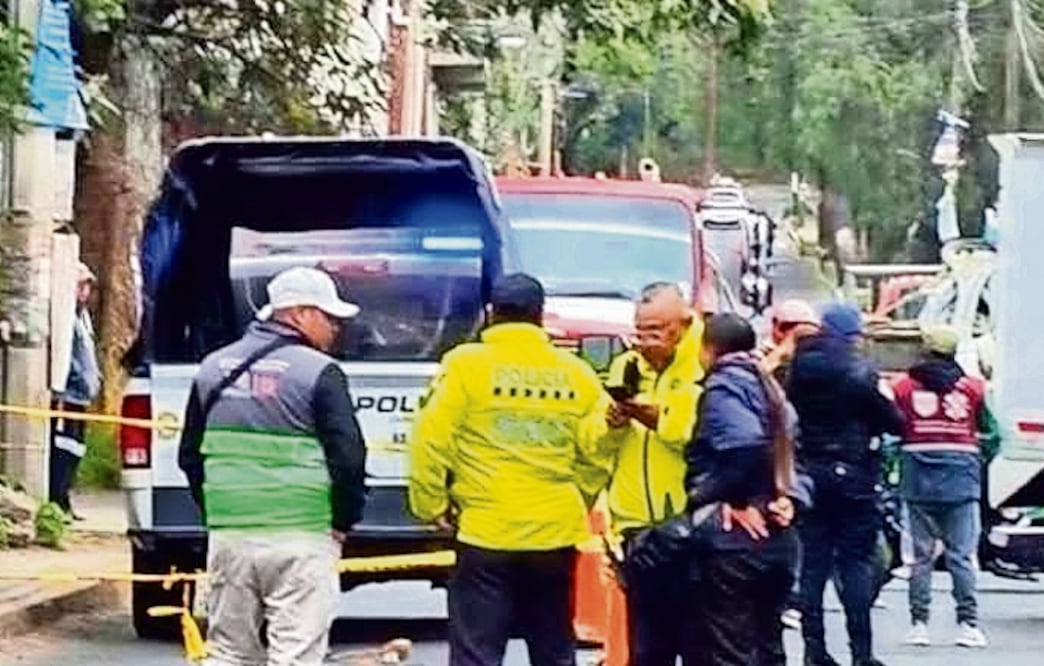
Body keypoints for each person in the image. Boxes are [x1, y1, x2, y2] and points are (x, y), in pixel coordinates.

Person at [408, 273, 613, 666]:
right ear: (540, 316)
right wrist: (577, 500)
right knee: (553, 644)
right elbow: (598, 451)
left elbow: (430, 441)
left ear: (490, 314)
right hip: (553, 531)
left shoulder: (465, 366)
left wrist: (430, 504)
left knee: (477, 650)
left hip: (486, 529)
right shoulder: (577, 374)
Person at [178, 266, 368, 666]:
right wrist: (343, 520)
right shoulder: (319, 372)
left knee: (228, 652)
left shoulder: (212, 368)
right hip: (302, 531)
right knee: (295, 652)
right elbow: (349, 457)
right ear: (298, 313)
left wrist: (220, 511)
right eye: (328, 317)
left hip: (230, 533)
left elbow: (190, 455)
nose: (335, 328)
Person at [788, 302, 904, 666]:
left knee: (812, 566)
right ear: (851, 335)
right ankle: (861, 654)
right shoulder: (860, 371)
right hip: (854, 475)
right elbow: (892, 421)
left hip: (809, 472)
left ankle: (814, 651)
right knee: (856, 564)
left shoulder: (797, 368)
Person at [597, 282, 706, 666]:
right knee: (646, 647)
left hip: (687, 526)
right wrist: (612, 424)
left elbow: (687, 433)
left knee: (695, 641)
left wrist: (644, 411)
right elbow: (596, 444)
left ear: (683, 324)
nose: (644, 341)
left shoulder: (701, 368)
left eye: (655, 331)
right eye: (639, 330)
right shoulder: (625, 367)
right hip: (634, 530)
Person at [686, 313, 804, 666]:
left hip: (736, 538)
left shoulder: (725, 386)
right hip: (779, 534)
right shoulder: (769, 387)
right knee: (768, 644)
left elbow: (745, 445)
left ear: (708, 348)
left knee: (730, 647)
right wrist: (788, 499)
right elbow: (794, 454)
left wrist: (724, 497)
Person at [891, 325, 997, 649]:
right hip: (962, 480)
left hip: (917, 479)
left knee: (920, 557)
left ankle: (919, 623)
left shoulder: (904, 387)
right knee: (962, 556)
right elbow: (992, 434)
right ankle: (968, 623)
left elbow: (893, 432)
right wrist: (980, 458)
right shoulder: (974, 389)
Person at [50, 261, 101, 521]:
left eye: (87, 286)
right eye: (81, 285)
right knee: (63, 449)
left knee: (76, 449)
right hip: (68, 396)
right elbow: (65, 355)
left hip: (82, 397)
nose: (85, 292)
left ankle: (66, 499)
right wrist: (80, 378)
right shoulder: (65, 316)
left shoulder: (83, 317)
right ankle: (57, 501)